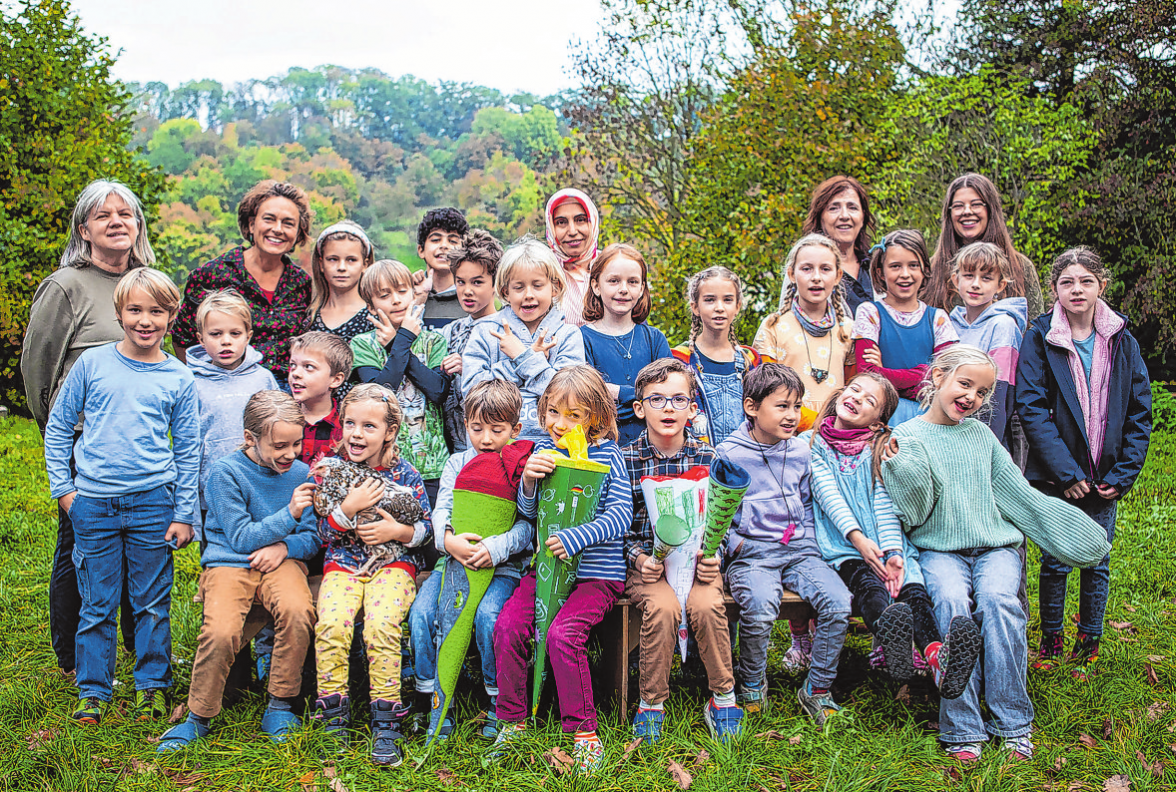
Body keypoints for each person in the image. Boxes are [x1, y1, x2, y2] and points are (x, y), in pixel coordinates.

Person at [880, 345, 1111, 764]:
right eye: (964, 384)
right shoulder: (907, 437)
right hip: (939, 550)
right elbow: (911, 513)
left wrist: (1075, 534)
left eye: (983, 391)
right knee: (951, 605)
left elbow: (1020, 497)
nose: (972, 396)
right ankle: (963, 727)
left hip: (995, 547)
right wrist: (901, 469)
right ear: (937, 379)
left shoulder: (983, 436)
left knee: (1000, 603)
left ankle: (1012, 722)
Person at [43, 268, 200, 725]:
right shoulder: (93, 364)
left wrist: (184, 512)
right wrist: (65, 490)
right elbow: (58, 428)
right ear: (119, 313)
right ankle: (93, 689)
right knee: (97, 600)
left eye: (157, 311)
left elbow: (189, 449)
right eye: (135, 310)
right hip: (93, 502)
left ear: (171, 316)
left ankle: (151, 685)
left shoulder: (178, 377)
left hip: (153, 502)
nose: (145, 320)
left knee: (152, 600)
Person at [22, 178, 150, 677]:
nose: (116, 222)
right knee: (80, 545)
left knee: (138, 547)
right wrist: (59, 437)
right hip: (83, 442)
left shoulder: (145, 282)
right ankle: (74, 658)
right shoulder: (66, 286)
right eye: (104, 215)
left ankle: (140, 649)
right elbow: (39, 369)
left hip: (137, 442)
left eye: (126, 214)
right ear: (85, 229)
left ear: (137, 226)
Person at [1016, 247, 1152, 679]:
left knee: (1097, 559)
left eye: (1086, 281)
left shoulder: (1122, 340)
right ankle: (1051, 640)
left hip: (1106, 475)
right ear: (1054, 288)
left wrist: (1123, 474)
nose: (1077, 290)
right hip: (1060, 476)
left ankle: (1089, 640)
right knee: (1055, 560)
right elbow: (1031, 406)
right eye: (1067, 282)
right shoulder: (1040, 337)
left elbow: (1139, 410)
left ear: (1102, 286)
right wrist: (1066, 472)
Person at [156, 391, 318, 750]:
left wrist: (285, 547)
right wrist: (287, 515)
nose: (289, 454)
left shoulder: (302, 473)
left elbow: (310, 537)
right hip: (230, 560)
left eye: (296, 443)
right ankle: (199, 716)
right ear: (250, 438)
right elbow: (241, 538)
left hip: (281, 561)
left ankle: (280, 702)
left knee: (298, 611)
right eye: (279, 446)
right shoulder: (224, 473)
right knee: (221, 629)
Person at [802, 373, 981, 696]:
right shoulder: (812, 443)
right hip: (845, 548)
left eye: (869, 400)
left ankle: (936, 656)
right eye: (855, 389)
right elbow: (827, 494)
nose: (856, 398)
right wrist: (858, 539)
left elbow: (884, 502)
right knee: (871, 590)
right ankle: (893, 644)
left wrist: (894, 553)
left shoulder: (881, 447)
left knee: (913, 592)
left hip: (889, 544)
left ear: (876, 422)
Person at [490, 366, 632, 773]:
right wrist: (530, 484)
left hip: (595, 575)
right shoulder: (542, 453)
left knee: (563, 635)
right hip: (546, 571)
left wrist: (577, 538)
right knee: (509, 627)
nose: (561, 424)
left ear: (598, 420)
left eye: (575, 416)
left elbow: (621, 515)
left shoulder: (608, 456)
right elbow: (529, 513)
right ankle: (512, 723)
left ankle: (584, 731)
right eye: (554, 412)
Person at [716, 364, 851, 727]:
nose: (792, 415)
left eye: (797, 406)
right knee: (759, 611)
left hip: (799, 552)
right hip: (753, 556)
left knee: (838, 604)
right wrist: (737, 547)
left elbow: (807, 502)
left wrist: (807, 540)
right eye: (782, 406)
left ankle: (818, 689)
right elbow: (717, 514)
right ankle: (752, 685)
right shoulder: (728, 453)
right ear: (751, 407)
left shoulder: (801, 452)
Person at [311, 384, 433, 767]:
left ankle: (387, 720)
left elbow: (425, 530)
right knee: (331, 625)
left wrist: (396, 532)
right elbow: (324, 535)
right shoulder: (333, 470)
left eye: (368, 426)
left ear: (390, 432)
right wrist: (347, 510)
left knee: (381, 627)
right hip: (342, 564)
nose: (356, 433)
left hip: (394, 564)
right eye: (350, 423)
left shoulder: (407, 474)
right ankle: (332, 716)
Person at [621, 358, 742, 742]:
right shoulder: (625, 461)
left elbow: (723, 521)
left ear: (693, 408)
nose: (668, 408)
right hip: (649, 569)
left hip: (697, 564)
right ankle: (651, 704)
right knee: (664, 607)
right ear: (639, 409)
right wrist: (639, 558)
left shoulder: (710, 458)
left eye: (678, 399)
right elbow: (618, 527)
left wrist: (715, 556)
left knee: (707, 605)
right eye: (656, 400)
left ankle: (723, 697)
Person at [408, 380, 532, 739]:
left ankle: (497, 701)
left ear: (515, 429)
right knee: (422, 614)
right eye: (477, 429)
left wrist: (495, 548)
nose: (487, 439)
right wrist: (449, 542)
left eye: (497, 430)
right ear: (466, 425)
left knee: (488, 616)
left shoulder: (518, 465)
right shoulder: (456, 462)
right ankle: (431, 700)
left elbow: (528, 527)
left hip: (503, 568)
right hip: (453, 563)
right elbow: (441, 508)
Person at [172, 180, 314, 384]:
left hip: (288, 398)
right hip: (225, 388)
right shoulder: (213, 276)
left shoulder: (302, 284)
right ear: (251, 224)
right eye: (269, 219)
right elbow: (182, 338)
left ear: (298, 232)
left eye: (288, 223)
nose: (278, 229)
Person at [462, 237, 586, 441]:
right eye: (519, 287)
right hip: (495, 450)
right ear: (505, 292)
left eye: (537, 286)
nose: (528, 295)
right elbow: (471, 395)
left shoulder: (569, 335)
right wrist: (524, 361)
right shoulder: (485, 331)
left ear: (554, 287)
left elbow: (569, 399)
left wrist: (522, 356)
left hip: (553, 449)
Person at [350, 259, 450, 509]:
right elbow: (379, 396)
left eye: (402, 291)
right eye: (385, 295)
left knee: (430, 540)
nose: (396, 300)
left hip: (432, 466)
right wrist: (403, 340)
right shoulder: (362, 345)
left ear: (413, 294)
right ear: (371, 307)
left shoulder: (433, 341)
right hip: (382, 465)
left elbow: (438, 392)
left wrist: (397, 342)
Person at [187, 289, 279, 533]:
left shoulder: (263, 379)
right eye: (215, 334)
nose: (225, 341)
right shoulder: (192, 383)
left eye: (234, 333)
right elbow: (189, 443)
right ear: (201, 338)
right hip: (212, 491)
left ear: (248, 336)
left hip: (259, 486)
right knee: (218, 556)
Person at [852, 230, 958, 426]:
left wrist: (884, 372)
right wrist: (924, 374)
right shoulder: (869, 313)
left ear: (925, 269)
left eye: (913, 265)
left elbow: (947, 378)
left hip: (930, 420)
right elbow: (867, 374)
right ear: (879, 273)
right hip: (882, 420)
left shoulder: (938, 319)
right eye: (895, 266)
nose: (905, 274)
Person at [754, 234, 855, 430]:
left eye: (825, 269)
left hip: (836, 433)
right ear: (792, 274)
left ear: (837, 276)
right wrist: (814, 422)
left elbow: (853, 387)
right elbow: (767, 388)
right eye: (807, 269)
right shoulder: (774, 326)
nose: (816, 277)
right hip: (785, 434)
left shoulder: (848, 330)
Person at [581, 244, 673, 446]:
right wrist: (644, 400)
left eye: (632, 282)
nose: (623, 289)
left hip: (653, 449)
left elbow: (670, 393)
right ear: (596, 286)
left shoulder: (655, 339)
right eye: (614, 281)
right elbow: (589, 401)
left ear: (641, 289)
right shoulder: (581, 339)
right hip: (602, 449)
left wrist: (618, 393)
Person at [926, 173, 1044, 318]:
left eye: (976, 204)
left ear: (990, 210)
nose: (967, 211)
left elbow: (1035, 330)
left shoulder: (1021, 267)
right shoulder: (930, 270)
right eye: (958, 206)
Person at [948, 242, 1027, 451]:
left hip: (982, 437)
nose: (976, 284)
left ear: (1000, 285)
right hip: (947, 432)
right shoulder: (948, 323)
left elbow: (1000, 396)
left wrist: (985, 447)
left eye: (986, 278)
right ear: (956, 279)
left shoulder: (1003, 326)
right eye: (968, 275)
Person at [671, 266, 761, 447]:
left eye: (727, 300)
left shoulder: (749, 360)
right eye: (710, 300)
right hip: (698, 459)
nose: (719, 308)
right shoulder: (680, 359)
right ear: (695, 307)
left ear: (737, 307)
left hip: (745, 458)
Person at [437, 229, 504, 452]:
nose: (467, 291)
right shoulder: (449, 331)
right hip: (451, 446)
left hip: (491, 446)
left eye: (477, 282)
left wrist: (470, 369)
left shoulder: (506, 331)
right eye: (460, 282)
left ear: (496, 283)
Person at [306, 221, 376, 399]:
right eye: (333, 259)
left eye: (351, 260)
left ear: (365, 264)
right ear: (321, 264)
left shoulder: (374, 317)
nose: (342, 267)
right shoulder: (310, 318)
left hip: (359, 415)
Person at [799, 176, 877, 314]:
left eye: (852, 207)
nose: (844, 216)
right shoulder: (803, 266)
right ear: (820, 217)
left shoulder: (876, 266)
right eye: (834, 208)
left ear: (863, 216)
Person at [289, 331, 353, 469]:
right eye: (293, 365)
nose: (295, 373)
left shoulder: (346, 426)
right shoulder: (281, 419)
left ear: (336, 380)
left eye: (309, 367)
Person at [544, 188, 600, 327]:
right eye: (561, 222)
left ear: (592, 222)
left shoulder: (612, 267)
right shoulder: (542, 272)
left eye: (580, 220)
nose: (573, 231)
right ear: (551, 227)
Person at [415, 207, 470, 332]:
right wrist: (417, 300)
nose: (444, 246)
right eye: (435, 240)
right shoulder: (406, 295)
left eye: (453, 241)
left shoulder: (471, 299)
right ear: (421, 250)